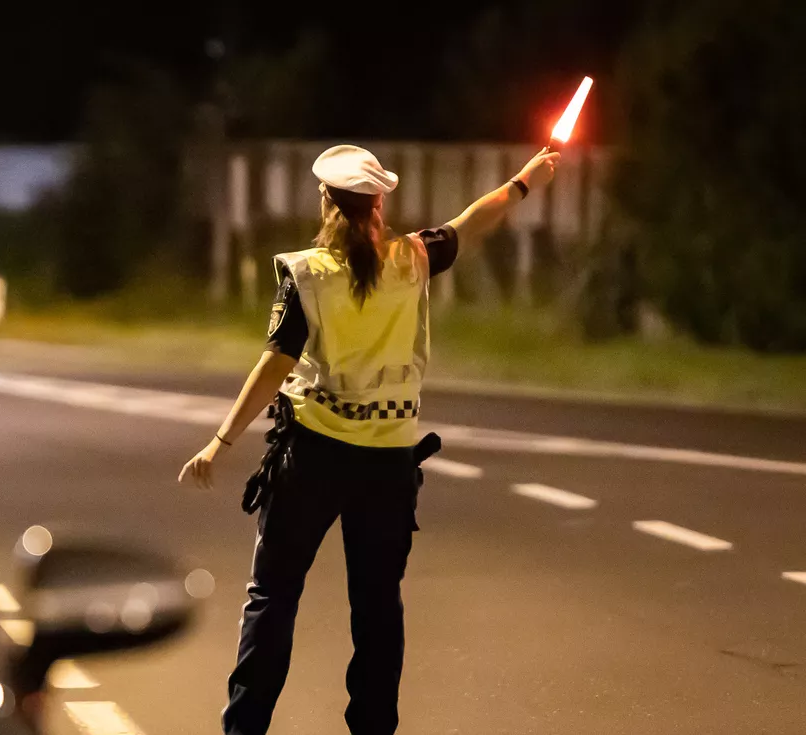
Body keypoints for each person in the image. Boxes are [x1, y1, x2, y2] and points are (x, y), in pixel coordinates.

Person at [178, 144, 561, 735]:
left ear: (326, 202)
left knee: (273, 599)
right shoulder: (411, 259)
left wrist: (219, 441)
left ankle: (244, 730)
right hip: (387, 465)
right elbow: (470, 223)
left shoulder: (308, 273)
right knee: (378, 607)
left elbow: (276, 363)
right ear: (379, 203)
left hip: (312, 457)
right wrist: (523, 182)